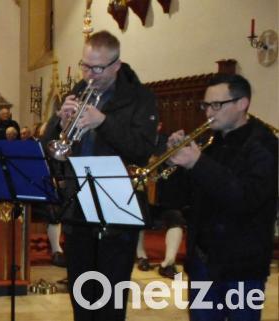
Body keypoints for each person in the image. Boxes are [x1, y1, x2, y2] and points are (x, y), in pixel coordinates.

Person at [42, 30, 158, 321]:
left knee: (110, 302)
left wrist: (103, 122)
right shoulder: (79, 90)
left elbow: (142, 150)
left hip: (116, 208)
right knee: (81, 299)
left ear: (116, 65)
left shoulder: (140, 98)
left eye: (97, 68)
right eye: (85, 66)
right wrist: (59, 123)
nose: (89, 75)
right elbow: (50, 148)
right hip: (77, 206)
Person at [160, 74, 277, 321]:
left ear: (242, 103)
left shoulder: (264, 145)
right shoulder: (211, 142)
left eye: (216, 105)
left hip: (243, 267)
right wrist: (174, 163)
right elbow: (179, 200)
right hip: (203, 262)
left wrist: (198, 163)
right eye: (206, 105)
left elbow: (245, 198)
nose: (209, 112)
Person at [135, 122, 185, 278]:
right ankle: (141, 256)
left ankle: (168, 263)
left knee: (176, 218)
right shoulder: (137, 142)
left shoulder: (167, 142)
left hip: (164, 197)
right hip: (141, 196)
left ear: (160, 126)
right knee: (136, 214)